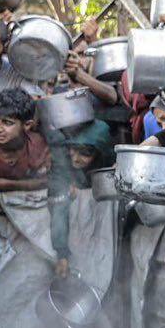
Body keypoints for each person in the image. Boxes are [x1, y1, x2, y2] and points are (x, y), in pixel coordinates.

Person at [48, 119, 113, 278]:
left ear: (100, 152)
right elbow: (59, 212)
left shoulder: (111, 164)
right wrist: (62, 253)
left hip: (106, 231)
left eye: (85, 153)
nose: (75, 158)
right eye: (73, 149)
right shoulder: (63, 167)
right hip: (73, 230)